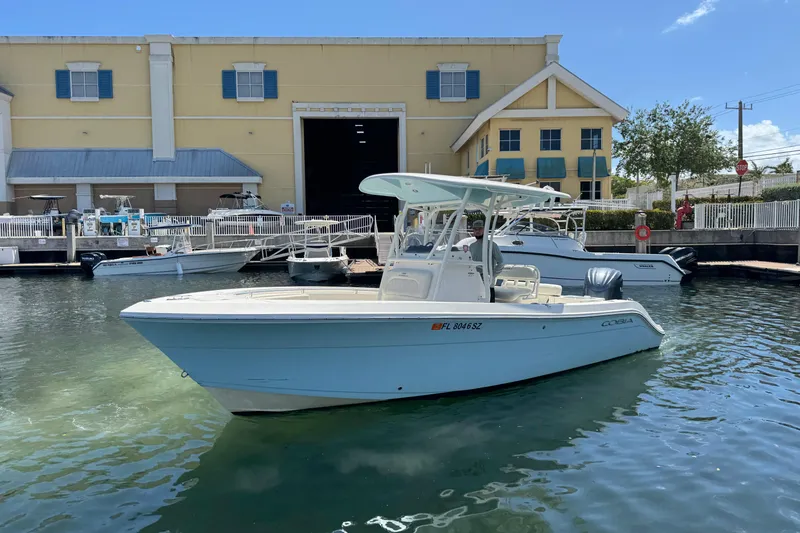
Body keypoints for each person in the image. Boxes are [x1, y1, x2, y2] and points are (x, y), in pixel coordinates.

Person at [468, 219, 504, 301]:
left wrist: (492, 276)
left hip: (487, 284)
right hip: (475, 283)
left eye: (479, 229)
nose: (477, 231)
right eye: (475, 229)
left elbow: (501, 263)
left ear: (484, 229)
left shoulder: (492, 245)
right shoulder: (472, 246)